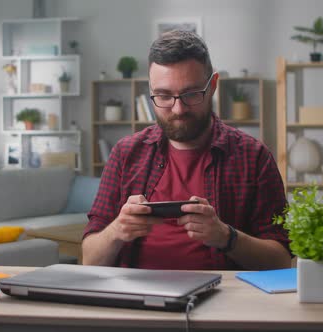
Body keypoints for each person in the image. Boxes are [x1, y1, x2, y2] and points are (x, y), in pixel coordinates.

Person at [82, 30, 291, 270]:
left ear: (212, 86)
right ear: (150, 93)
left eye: (191, 94)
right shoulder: (126, 153)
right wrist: (117, 231)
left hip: (221, 298)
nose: (178, 109)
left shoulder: (253, 157)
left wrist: (226, 237)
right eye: (164, 95)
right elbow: (89, 259)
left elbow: (281, 260)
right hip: (137, 298)